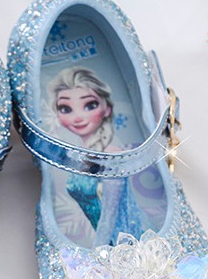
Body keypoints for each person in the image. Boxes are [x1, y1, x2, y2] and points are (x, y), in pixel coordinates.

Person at [47, 67, 142, 245]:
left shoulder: (111, 155)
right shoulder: (79, 157)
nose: (78, 117)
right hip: (105, 241)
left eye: (90, 105)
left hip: (125, 243)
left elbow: (110, 214)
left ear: (107, 109)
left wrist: (100, 250)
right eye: (65, 108)